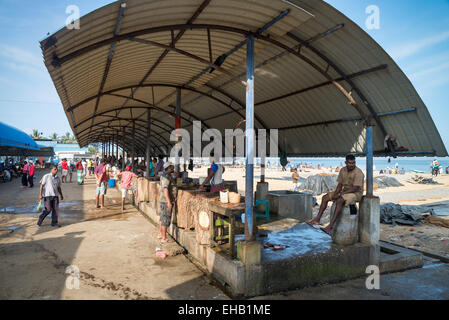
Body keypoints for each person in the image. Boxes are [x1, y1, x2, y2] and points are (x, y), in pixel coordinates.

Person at [307, 154, 364, 235]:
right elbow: (340, 185)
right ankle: (317, 219)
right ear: (346, 162)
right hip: (345, 191)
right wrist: (335, 194)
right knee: (325, 197)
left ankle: (330, 226)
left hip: (356, 193)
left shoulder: (358, 173)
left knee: (340, 200)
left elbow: (355, 188)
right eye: (350, 163)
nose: (352, 165)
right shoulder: (342, 170)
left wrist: (340, 194)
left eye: (353, 163)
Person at [158, 162, 176, 243]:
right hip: (165, 201)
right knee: (165, 219)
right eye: (172, 167)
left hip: (163, 200)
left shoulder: (165, 175)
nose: (173, 169)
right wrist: (169, 202)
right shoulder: (166, 177)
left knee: (162, 218)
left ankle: (160, 234)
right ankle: (164, 238)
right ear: (168, 168)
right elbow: (165, 189)